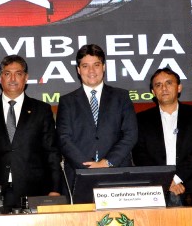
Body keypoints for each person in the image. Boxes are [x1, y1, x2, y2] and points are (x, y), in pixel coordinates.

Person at [0, 55, 63, 210]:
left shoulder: (41, 110)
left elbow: (52, 152)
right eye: (7, 73)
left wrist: (55, 189)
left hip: (34, 189)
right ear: (0, 77)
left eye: (18, 73)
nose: (13, 78)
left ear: (26, 77)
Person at [56, 44, 137, 192]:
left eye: (96, 65)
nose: (91, 71)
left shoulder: (121, 97)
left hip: (117, 172)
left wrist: (107, 163)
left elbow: (130, 134)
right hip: (79, 176)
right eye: (85, 66)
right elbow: (64, 138)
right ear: (78, 70)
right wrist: (88, 166)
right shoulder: (67, 101)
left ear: (104, 67)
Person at [132, 67, 192, 204]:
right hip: (155, 190)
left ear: (179, 88)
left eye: (169, 83)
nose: (164, 88)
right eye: (158, 85)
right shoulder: (141, 119)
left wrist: (176, 178)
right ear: (153, 92)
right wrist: (165, 180)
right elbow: (139, 155)